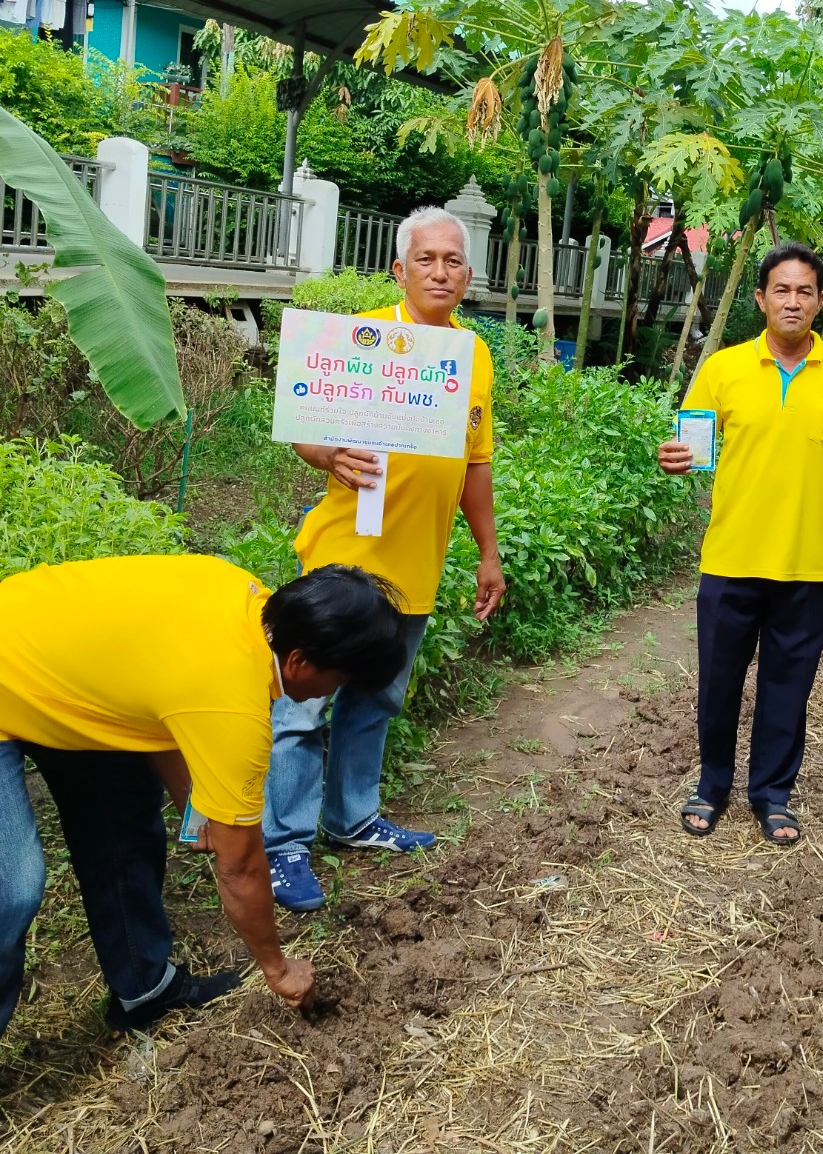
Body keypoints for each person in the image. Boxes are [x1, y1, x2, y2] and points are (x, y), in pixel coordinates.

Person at [0, 555, 408, 1037]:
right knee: (14, 890)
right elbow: (241, 868)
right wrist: (277, 969)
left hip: (60, 666)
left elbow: (169, 708)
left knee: (123, 811)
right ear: (299, 661)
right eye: (338, 681)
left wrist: (200, 812)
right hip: (18, 668)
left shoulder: (243, 595)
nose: (334, 693)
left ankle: (144, 991)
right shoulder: (234, 704)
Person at [265, 207, 505, 911]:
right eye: (426, 259)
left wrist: (489, 552)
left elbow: (475, 464)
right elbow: (304, 422)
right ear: (400, 270)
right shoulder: (361, 337)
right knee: (304, 706)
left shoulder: (474, 355)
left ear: (468, 275)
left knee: (376, 699)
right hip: (344, 558)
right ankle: (283, 845)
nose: (440, 271)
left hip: (417, 564)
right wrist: (327, 451)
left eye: (453, 261)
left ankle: (351, 818)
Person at [658, 241, 823, 847]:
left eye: (805, 290)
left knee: (789, 684)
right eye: (781, 289)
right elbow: (693, 447)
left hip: (807, 563)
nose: (792, 300)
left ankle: (773, 795)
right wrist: (677, 460)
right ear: (760, 299)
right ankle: (711, 785)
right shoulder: (723, 368)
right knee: (719, 680)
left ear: (820, 301)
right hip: (731, 557)